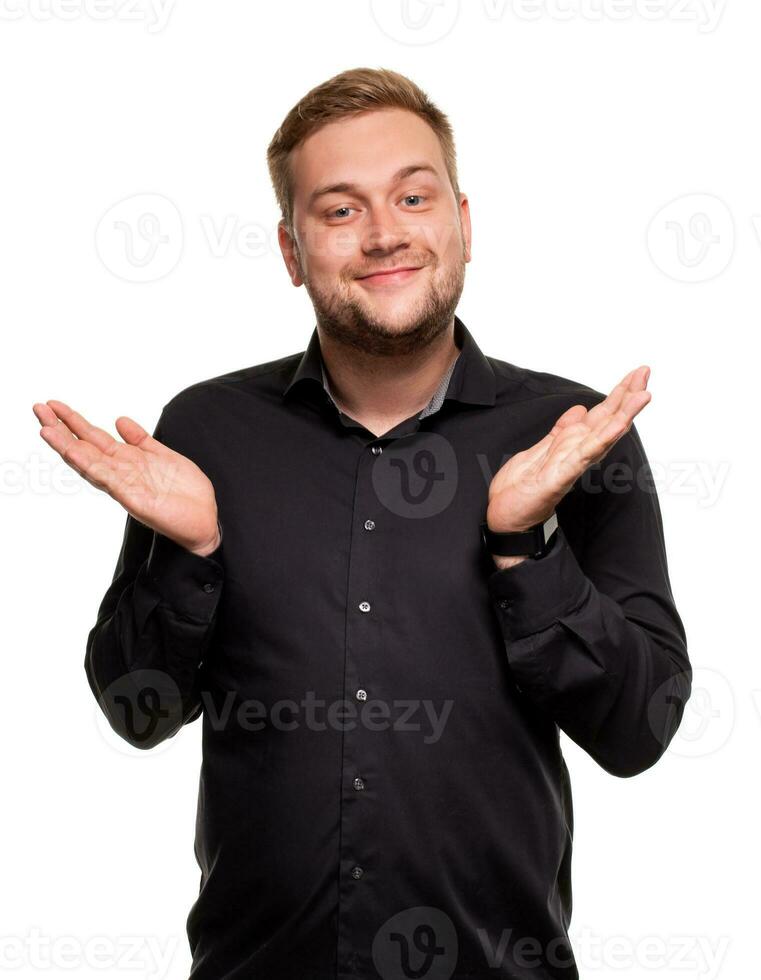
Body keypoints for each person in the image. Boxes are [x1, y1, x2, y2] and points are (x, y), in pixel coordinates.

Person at [32, 67, 692, 980]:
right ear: (290, 250)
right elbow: (135, 713)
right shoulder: (204, 434)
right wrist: (191, 554)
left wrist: (524, 546)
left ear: (461, 220)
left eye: (412, 197)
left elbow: (638, 733)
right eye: (339, 211)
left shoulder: (574, 440)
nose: (384, 233)